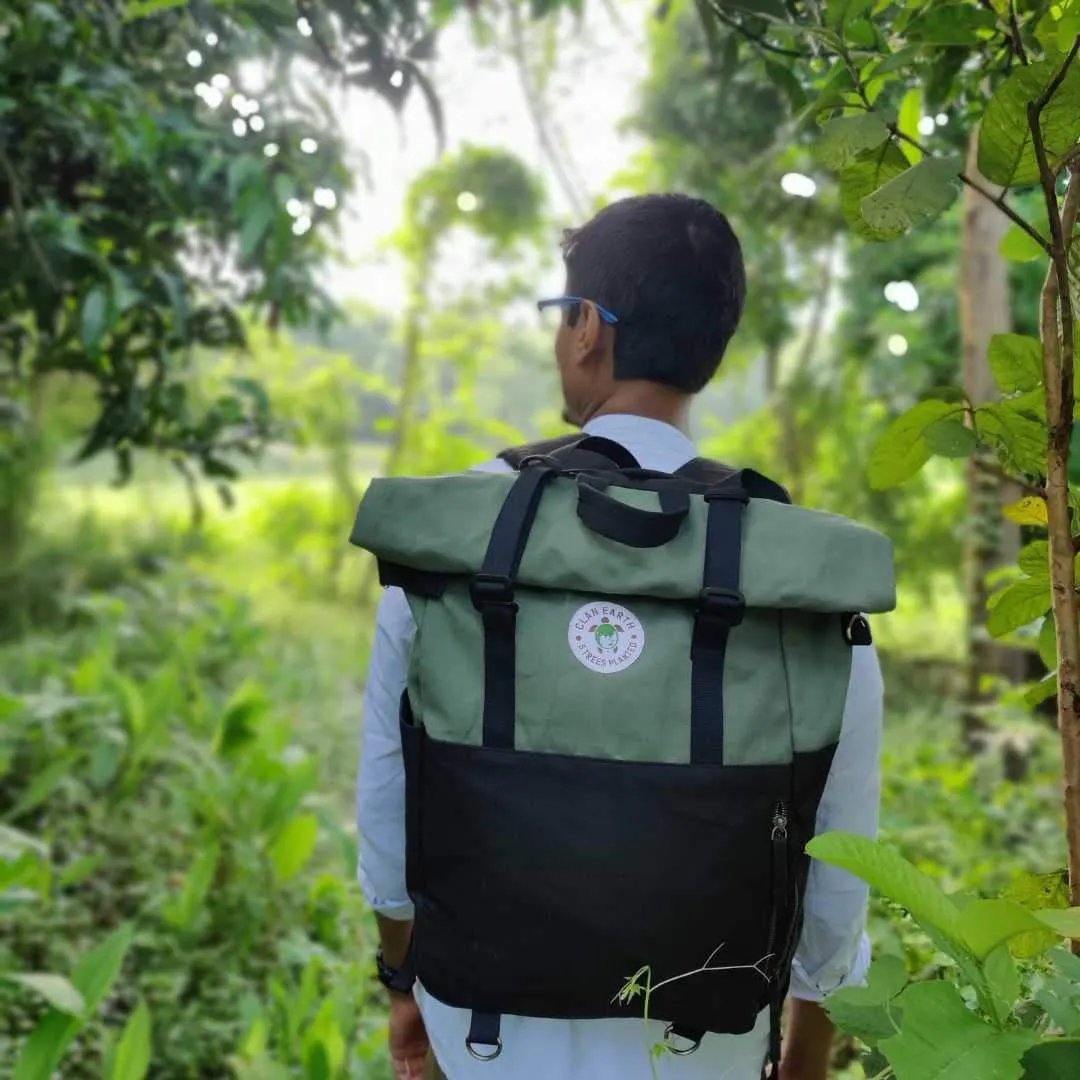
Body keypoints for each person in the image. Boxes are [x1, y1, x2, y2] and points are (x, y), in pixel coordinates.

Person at [356, 193, 884, 1080]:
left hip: (481, 1029)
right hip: (704, 1045)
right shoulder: (800, 579)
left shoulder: (451, 541)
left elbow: (386, 809)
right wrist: (807, 1054)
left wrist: (407, 985)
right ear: (710, 346)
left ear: (587, 330)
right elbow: (836, 859)